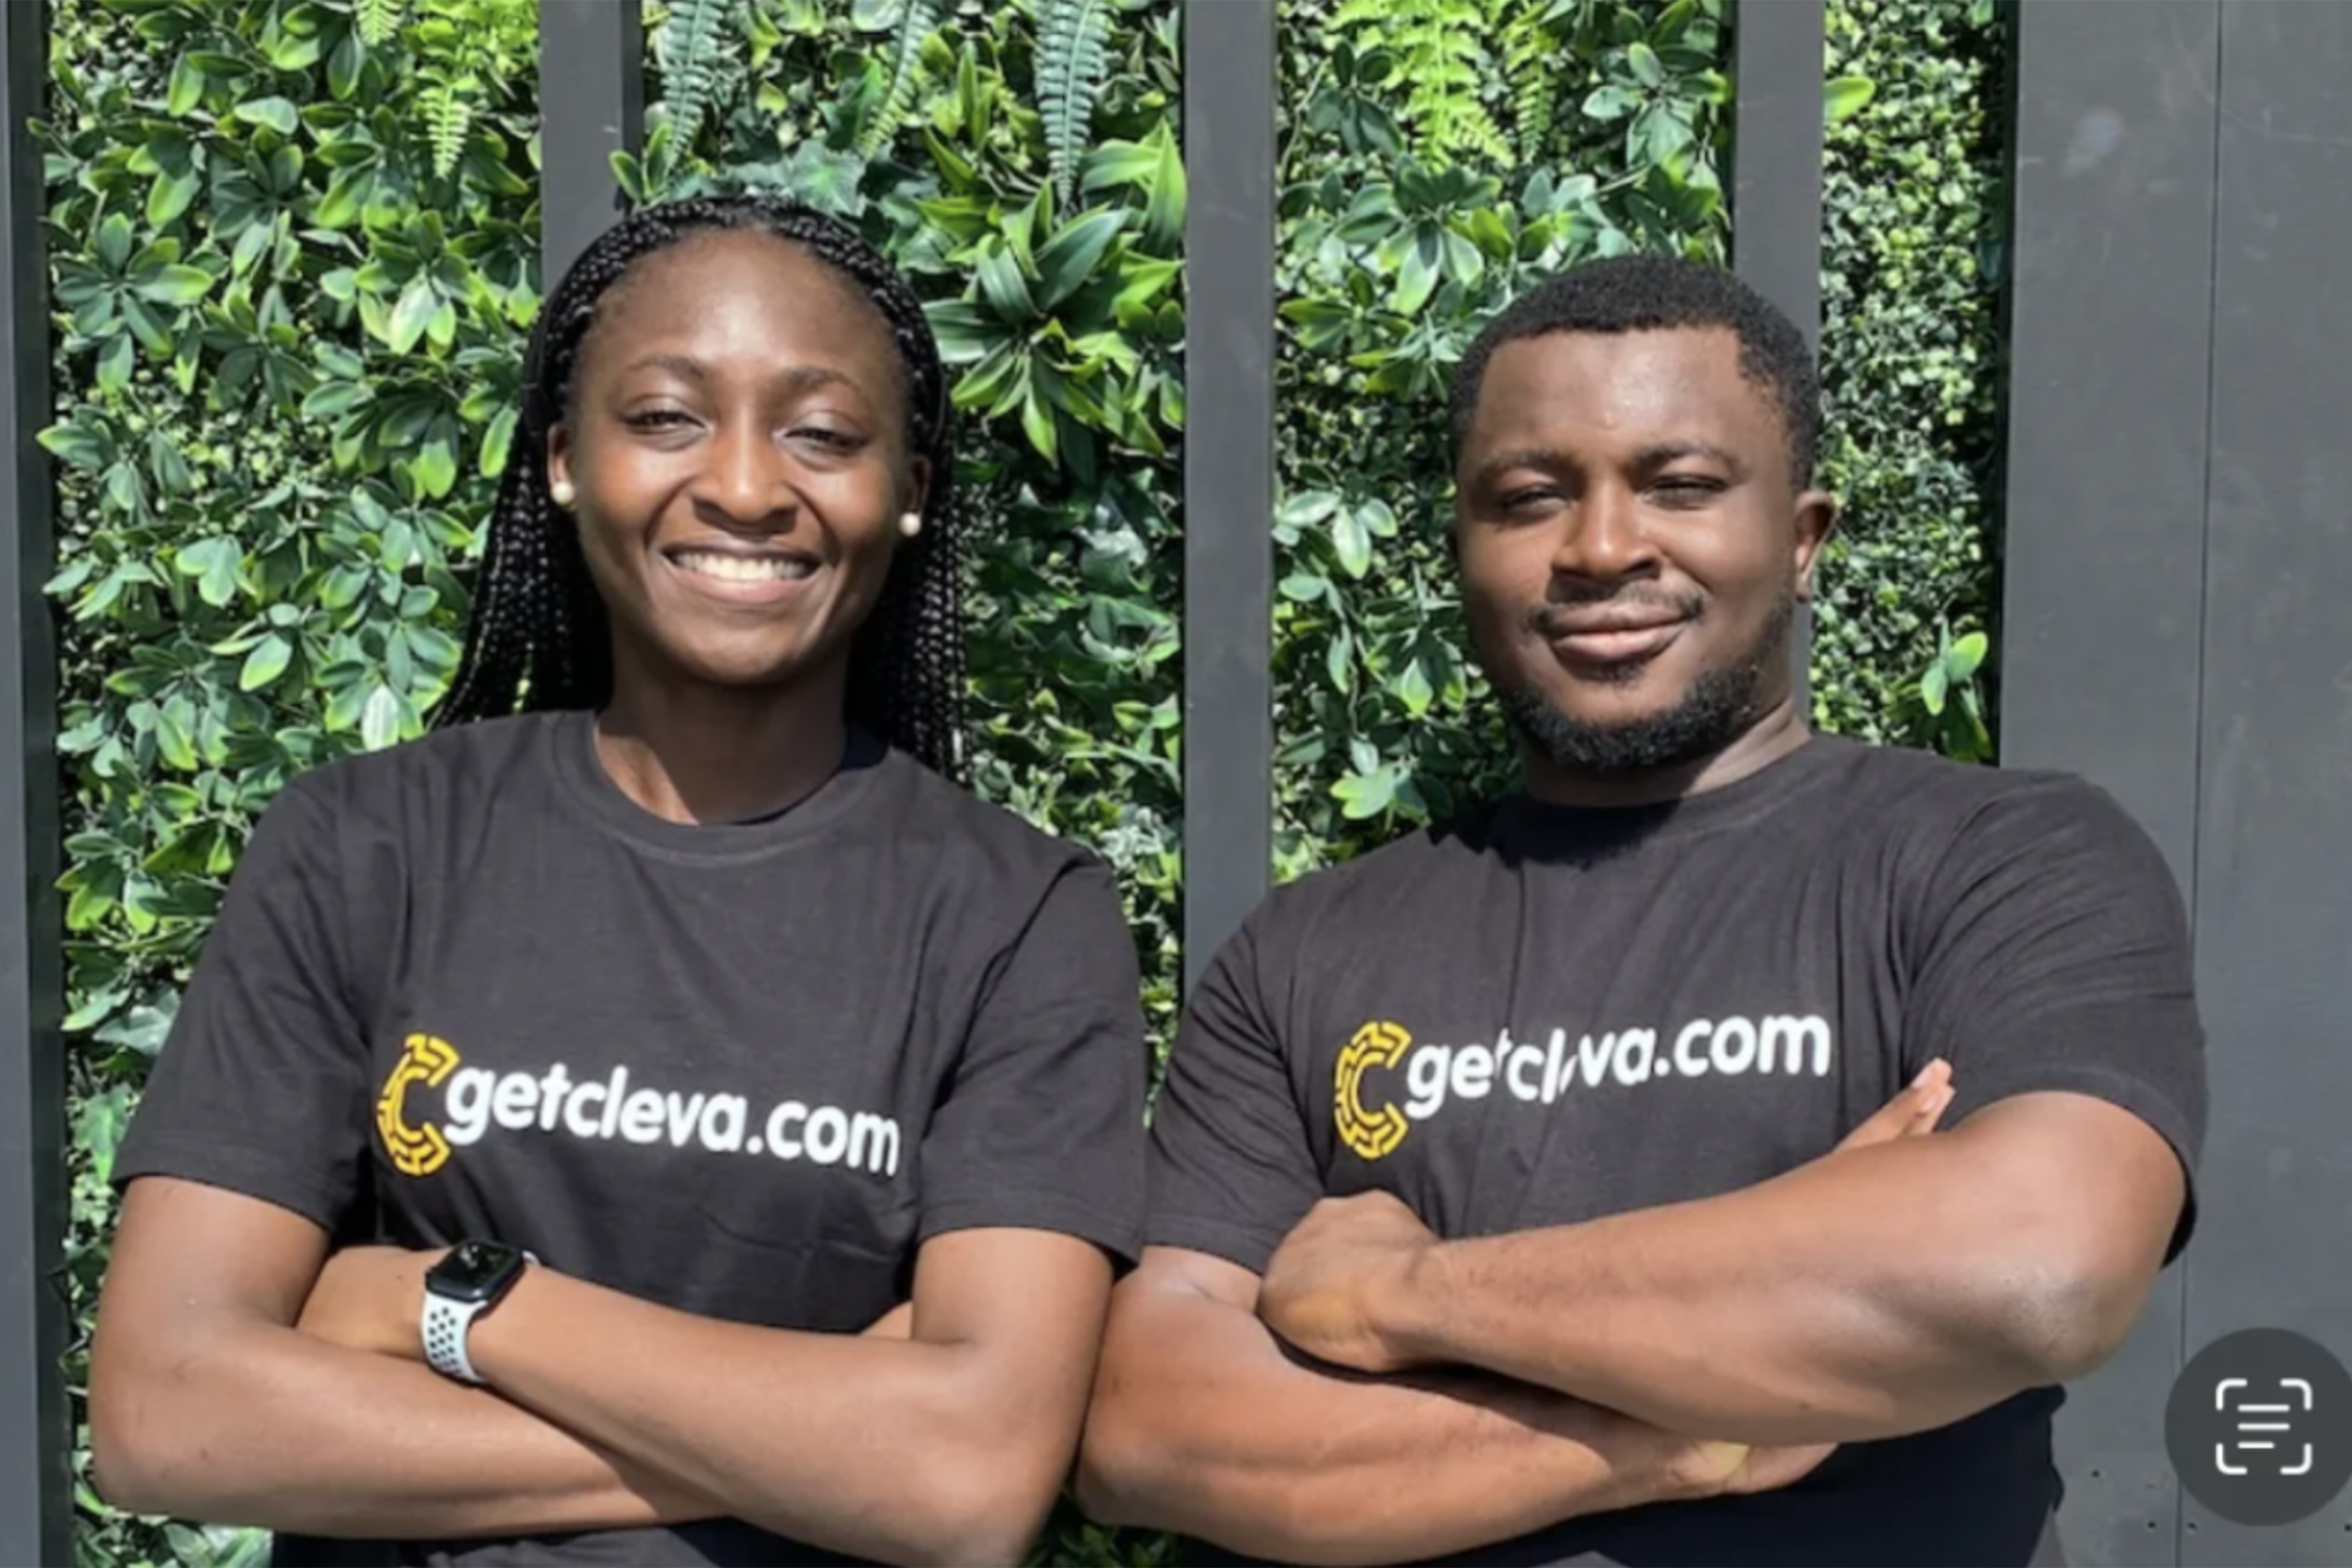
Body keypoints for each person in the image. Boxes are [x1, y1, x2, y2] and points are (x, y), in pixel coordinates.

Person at [1076, 256, 2204, 1567]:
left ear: (1803, 534)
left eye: (1680, 486)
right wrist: (1685, 1431)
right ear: (1462, 549)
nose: (1605, 547)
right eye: (1531, 496)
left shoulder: (1997, 860)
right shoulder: (1306, 949)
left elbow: (2033, 1267)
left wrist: (1401, 1293)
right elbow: (1146, 1430)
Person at [88, 195, 1149, 1568]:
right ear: (562, 461)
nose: (750, 485)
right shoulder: (368, 848)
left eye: (823, 433)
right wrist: (815, 1438)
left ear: (911, 492)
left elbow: (967, 1482)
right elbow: (167, 1415)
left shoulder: (1017, 915)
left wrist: (461, 1307)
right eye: (664, 418)